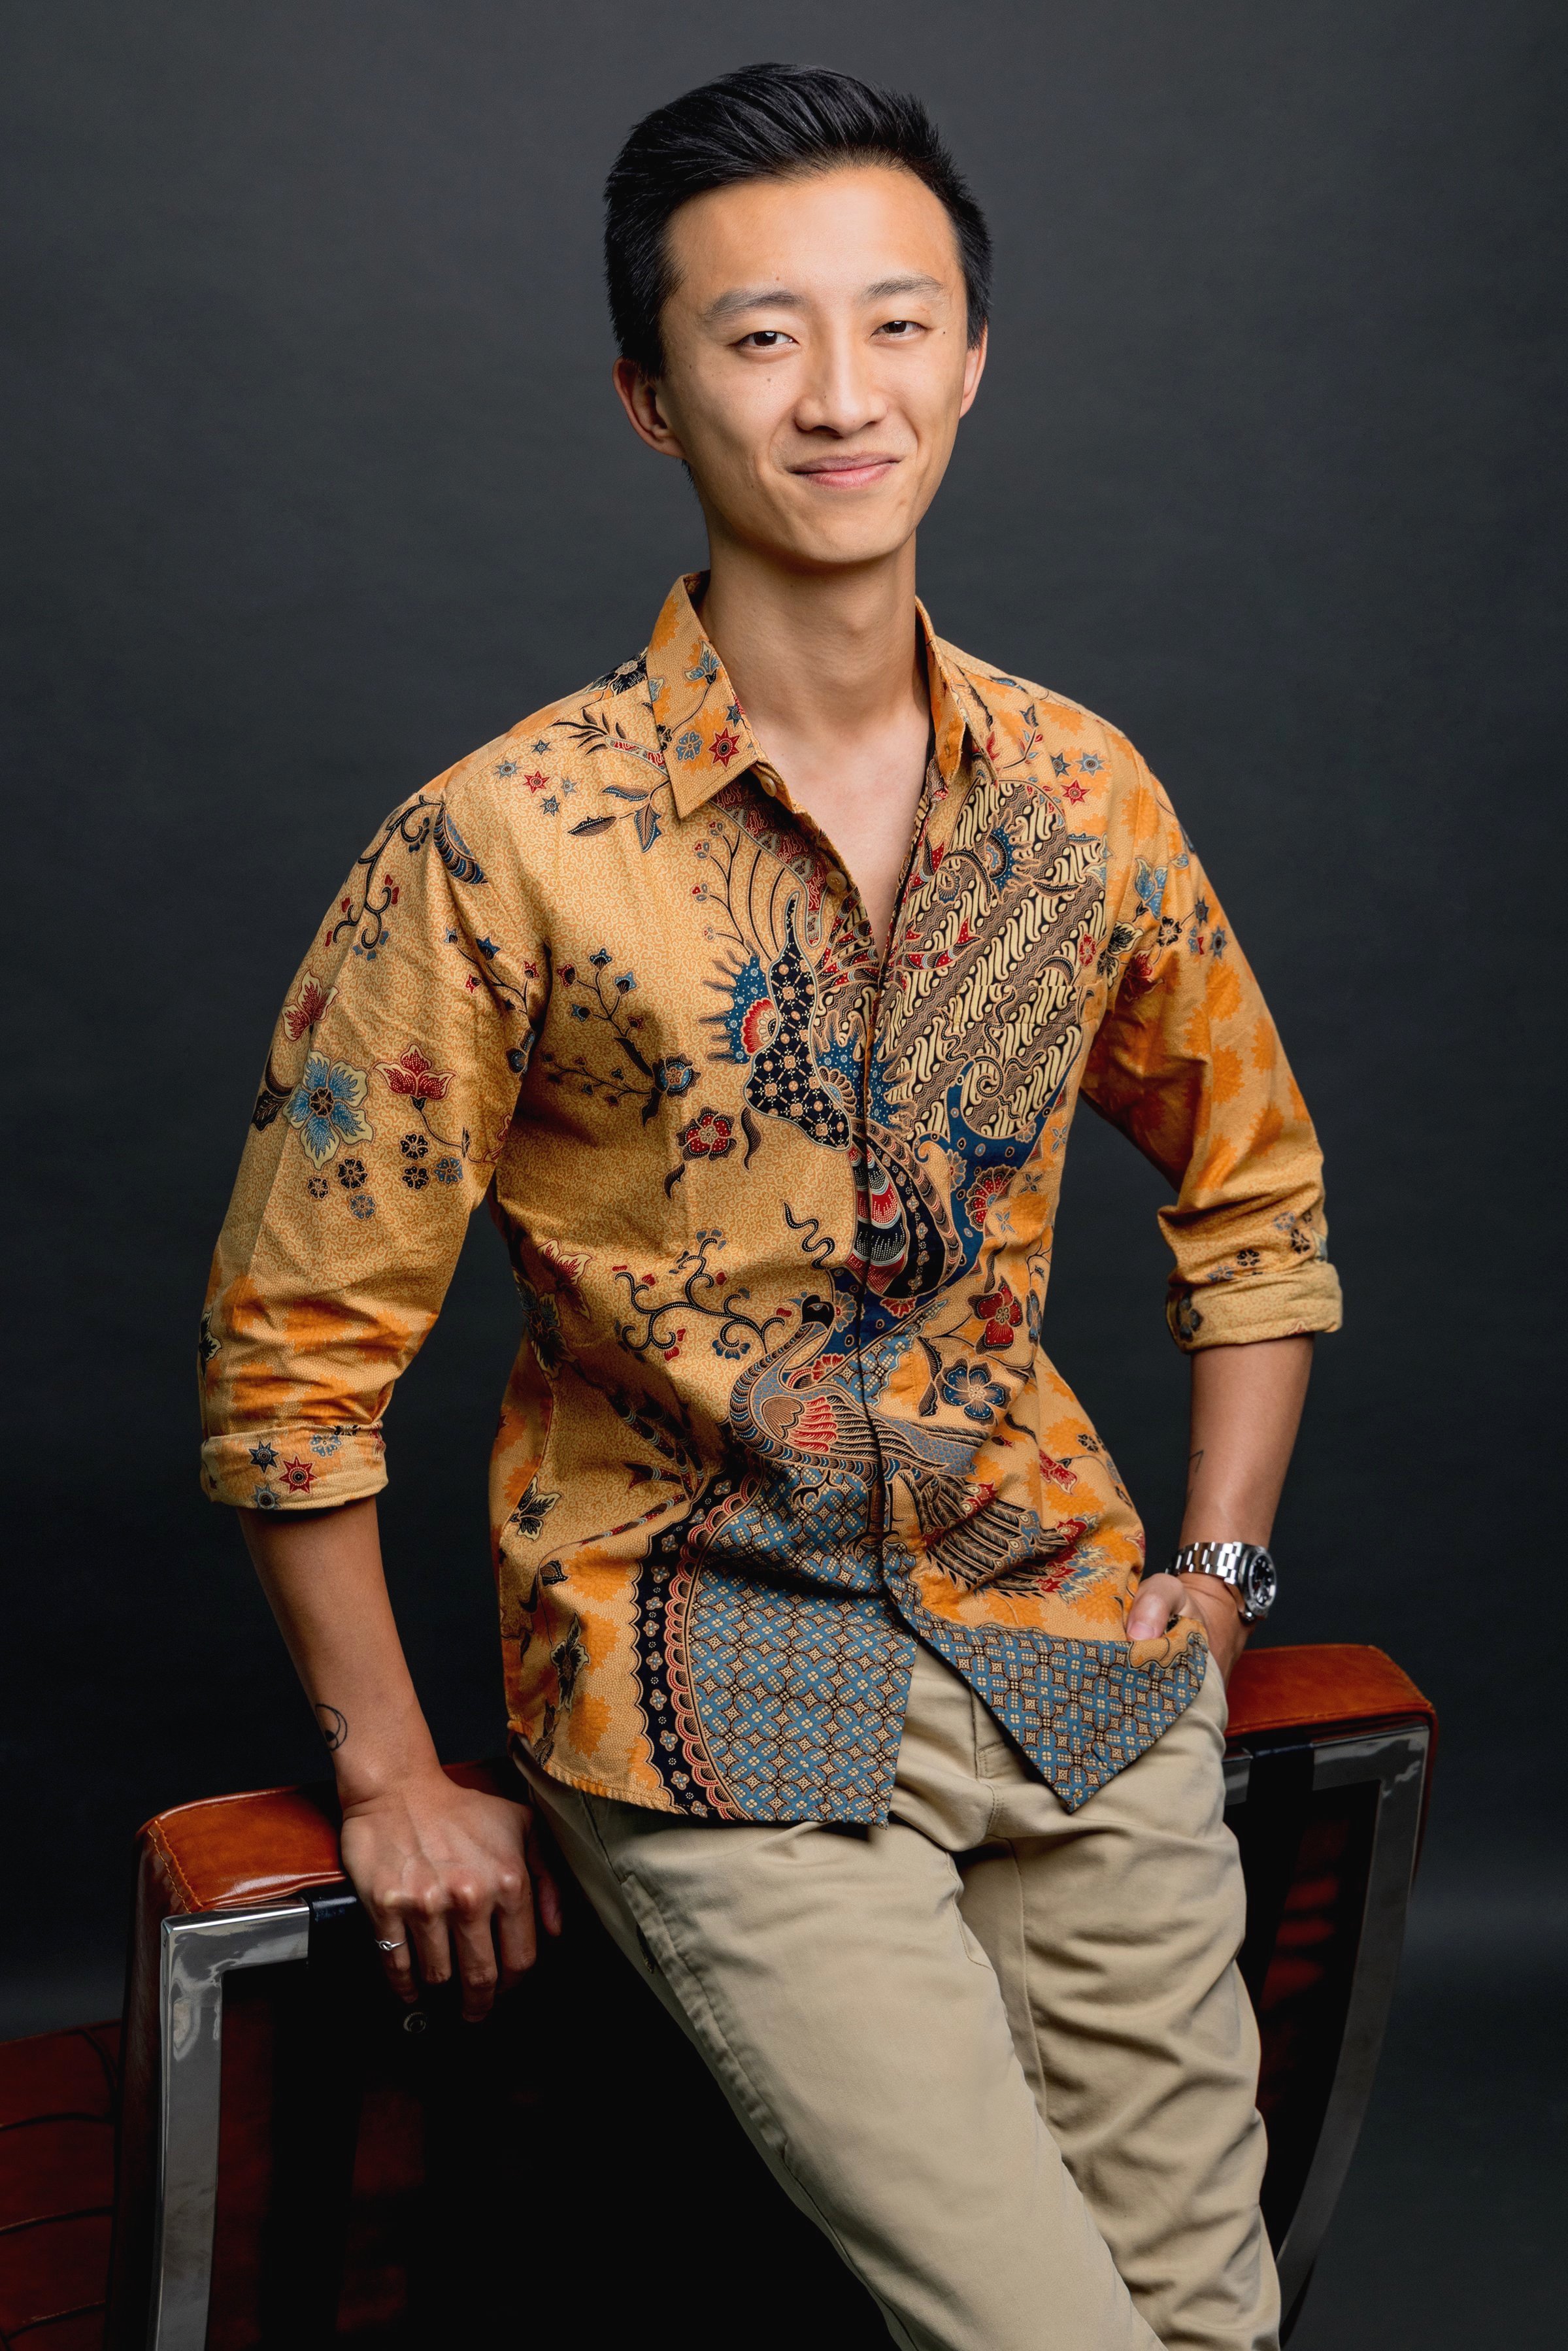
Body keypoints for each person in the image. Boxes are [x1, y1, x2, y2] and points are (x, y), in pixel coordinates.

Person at [199, 62, 1341, 2351]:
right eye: (759, 337)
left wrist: (1214, 1582)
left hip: (1067, 1643)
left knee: (1215, 2329)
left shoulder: (1083, 792)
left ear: (973, 358)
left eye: (897, 325)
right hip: (705, 1685)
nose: (843, 396)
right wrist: (392, 1767)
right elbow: (291, 1359)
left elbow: (1259, 1201)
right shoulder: (501, 841)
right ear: (650, 394)